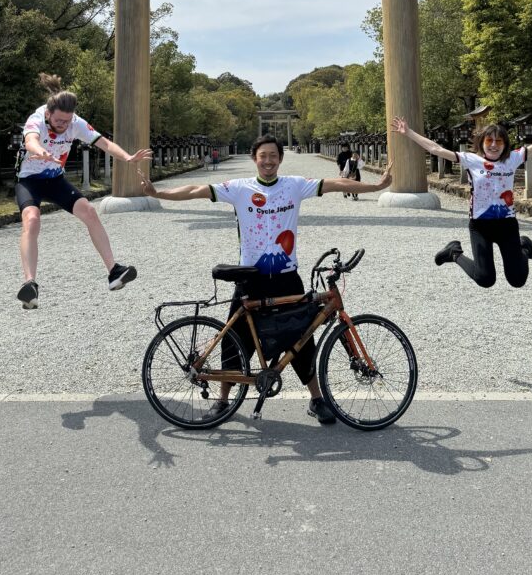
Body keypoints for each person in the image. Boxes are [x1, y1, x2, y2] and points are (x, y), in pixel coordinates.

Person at [139, 134, 393, 424]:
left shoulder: (294, 186)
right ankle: (223, 401)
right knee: (235, 339)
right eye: (263, 156)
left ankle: (317, 399)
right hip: (251, 278)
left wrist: (376, 185)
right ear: (254, 159)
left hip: (286, 276)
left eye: (273, 155)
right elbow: (197, 189)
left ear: (280, 159)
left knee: (301, 336)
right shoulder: (238, 188)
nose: (268, 160)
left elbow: (336, 184)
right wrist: (158, 194)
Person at [390, 106, 532, 288]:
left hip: (507, 225)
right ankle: (454, 253)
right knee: (485, 279)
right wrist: (408, 133)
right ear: (482, 142)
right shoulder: (472, 160)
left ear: (504, 144)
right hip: (481, 227)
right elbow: (436, 149)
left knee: (517, 280)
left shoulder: (513, 158)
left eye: (499, 141)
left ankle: (525, 248)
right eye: (489, 140)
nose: (494, 145)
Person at [15, 73, 152, 310]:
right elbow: (31, 141)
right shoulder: (36, 119)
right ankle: (30, 284)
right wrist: (41, 151)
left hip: (55, 179)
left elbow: (104, 143)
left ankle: (113, 272)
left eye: (67, 122)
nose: (63, 126)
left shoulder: (75, 122)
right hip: (30, 180)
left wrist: (127, 157)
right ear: (48, 114)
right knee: (32, 220)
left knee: (88, 211)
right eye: (59, 121)